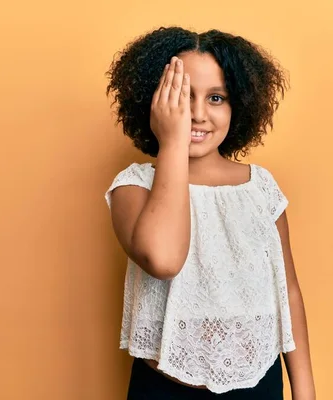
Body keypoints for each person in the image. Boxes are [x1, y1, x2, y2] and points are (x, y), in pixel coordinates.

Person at [104, 26, 315, 399]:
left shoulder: (261, 189)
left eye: (216, 97)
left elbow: (288, 293)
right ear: (154, 102)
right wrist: (171, 141)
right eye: (182, 97)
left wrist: (305, 390)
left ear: (240, 104)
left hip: (257, 384)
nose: (198, 114)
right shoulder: (133, 186)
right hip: (164, 386)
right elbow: (164, 259)